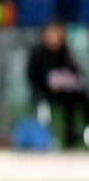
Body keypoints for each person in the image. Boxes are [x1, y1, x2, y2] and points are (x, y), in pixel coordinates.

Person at [27, 19, 89, 147]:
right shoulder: (38, 53)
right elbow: (33, 76)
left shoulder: (65, 52)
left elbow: (76, 72)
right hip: (43, 92)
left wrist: (71, 80)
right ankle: (51, 139)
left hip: (64, 92)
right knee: (61, 99)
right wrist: (48, 83)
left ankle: (78, 133)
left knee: (79, 96)